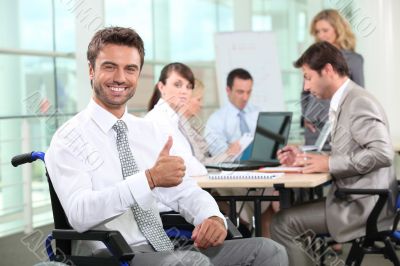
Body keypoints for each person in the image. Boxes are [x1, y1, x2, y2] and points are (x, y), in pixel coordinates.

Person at [45, 26, 288, 266]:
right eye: (109, 67)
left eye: (130, 69)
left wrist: (212, 217)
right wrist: (148, 179)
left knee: (268, 250)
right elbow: (79, 214)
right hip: (111, 255)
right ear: (91, 70)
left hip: (164, 249)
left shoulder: (147, 131)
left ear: (138, 75)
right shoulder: (69, 137)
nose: (120, 77)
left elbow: (185, 191)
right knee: (192, 262)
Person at [270, 41, 397, 266]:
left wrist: (329, 163)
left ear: (327, 70)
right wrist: (303, 157)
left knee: (283, 222)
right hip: (358, 198)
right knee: (291, 215)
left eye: (308, 77)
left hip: (363, 205)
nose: (306, 87)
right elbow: (350, 149)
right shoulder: (346, 100)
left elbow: (382, 153)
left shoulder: (358, 102)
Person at [302, 9, 364, 149]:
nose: (321, 35)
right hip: (313, 127)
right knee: (313, 165)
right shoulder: (311, 58)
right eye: (317, 32)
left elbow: (358, 95)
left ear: (338, 29)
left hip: (339, 126)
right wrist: (305, 116)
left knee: (337, 165)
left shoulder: (353, 59)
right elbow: (305, 92)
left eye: (325, 30)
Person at [204, 68, 259, 159]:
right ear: (228, 90)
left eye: (248, 92)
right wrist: (229, 151)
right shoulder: (216, 120)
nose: (245, 98)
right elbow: (218, 156)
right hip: (233, 170)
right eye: (240, 92)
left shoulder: (259, 113)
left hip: (262, 167)